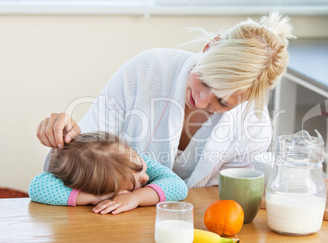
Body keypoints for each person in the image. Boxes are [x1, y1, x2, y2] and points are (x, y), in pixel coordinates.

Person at [36, 11, 294, 190]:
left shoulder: (254, 128)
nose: (201, 102)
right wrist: (67, 139)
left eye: (223, 103)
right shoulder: (146, 71)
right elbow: (83, 157)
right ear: (208, 47)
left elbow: (228, 201)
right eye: (204, 81)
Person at [29, 132, 188, 214]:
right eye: (137, 184)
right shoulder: (100, 186)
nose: (146, 178)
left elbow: (179, 187)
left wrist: (135, 197)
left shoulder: (136, 161)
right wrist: (94, 197)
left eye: (140, 170)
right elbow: (37, 187)